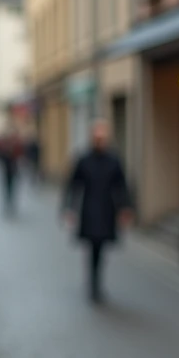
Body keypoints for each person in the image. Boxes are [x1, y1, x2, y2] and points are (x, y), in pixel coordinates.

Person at [62, 120, 133, 302]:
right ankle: (93, 284)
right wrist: (69, 208)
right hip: (89, 209)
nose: (100, 140)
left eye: (103, 137)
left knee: (101, 248)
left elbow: (121, 185)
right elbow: (73, 184)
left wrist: (125, 207)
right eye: (97, 137)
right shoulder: (84, 159)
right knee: (92, 247)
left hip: (106, 209)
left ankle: (96, 283)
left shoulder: (113, 159)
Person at [0, 127, 24, 217]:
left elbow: (20, 157)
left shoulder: (16, 146)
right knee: (6, 187)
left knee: (13, 187)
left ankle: (11, 201)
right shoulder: (2, 146)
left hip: (13, 170)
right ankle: (7, 201)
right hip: (5, 170)